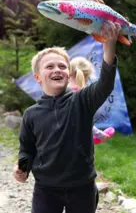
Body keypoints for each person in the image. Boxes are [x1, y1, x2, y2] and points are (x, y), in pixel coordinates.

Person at [13, 21, 121, 213]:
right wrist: (22, 167)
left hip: (82, 186)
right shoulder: (31, 114)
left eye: (62, 66)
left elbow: (105, 84)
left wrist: (109, 46)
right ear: (37, 77)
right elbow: (26, 149)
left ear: (69, 73)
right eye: (49, 66)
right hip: (46, 188)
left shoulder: (82, 100)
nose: (57, 69)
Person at [68, 56, 115, 144]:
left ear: (69, 72)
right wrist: (100, 135)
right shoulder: (84, 95)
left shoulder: (60, 91)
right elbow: (85, 121)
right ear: (87, 76)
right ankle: (92, 139)